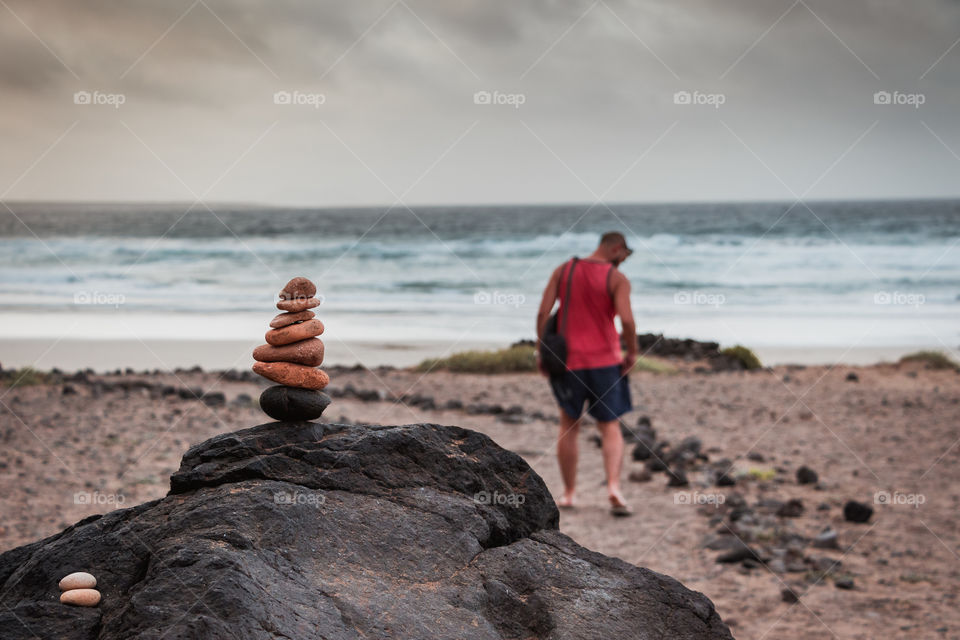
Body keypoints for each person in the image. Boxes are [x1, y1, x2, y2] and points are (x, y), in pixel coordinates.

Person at [536, 231, 637, 516]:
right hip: (605, 361)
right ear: (616, 249)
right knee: (610, 425)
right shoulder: (617, 279)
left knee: (569, 424)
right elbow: (627, 320)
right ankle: (614, 488)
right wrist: (631, 352)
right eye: (625, 256)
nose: (623, 262)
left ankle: (569, 494)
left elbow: (543, 313)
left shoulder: (564, 270)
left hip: (567, 361)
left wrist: (542, 351)